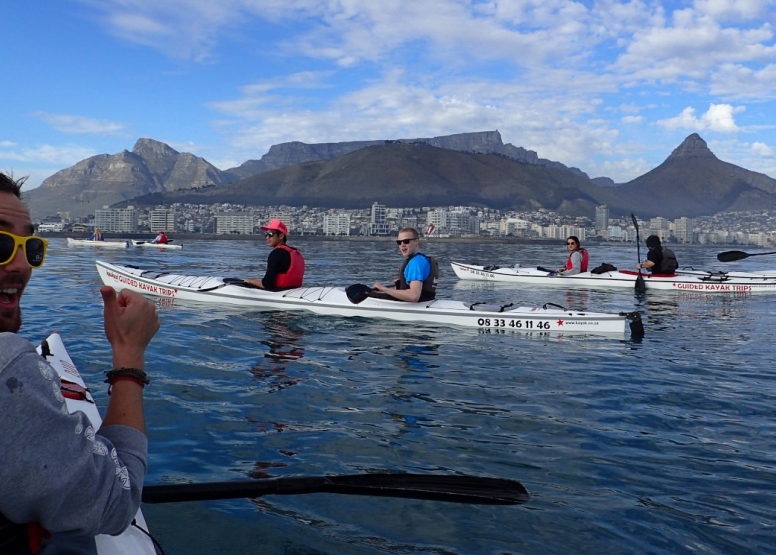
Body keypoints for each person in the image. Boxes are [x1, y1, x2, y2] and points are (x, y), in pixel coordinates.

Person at [0, 172, 160, 554]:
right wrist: (129, 354)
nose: (23, 265)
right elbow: (116, 504)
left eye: (31, 248)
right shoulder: (8, 367)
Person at [372, 227, 439, 302]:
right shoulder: (421, 259)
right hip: (426, 300)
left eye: (406, 241)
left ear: (416, 241)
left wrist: (384, 289)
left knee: (366, 295)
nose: (402, 245)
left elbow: (414, 296)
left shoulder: (416, 262)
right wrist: (403, 281)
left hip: (417, 304)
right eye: (399, 242)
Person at [244, 219, 305, 290]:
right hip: (294, 290)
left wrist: (250, 281)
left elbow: (267, 284)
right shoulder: (295, 252)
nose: (267, 237)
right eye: (266, 234)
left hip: (279, 292)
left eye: (270, 234)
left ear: (281, 236)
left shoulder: (276, 254)